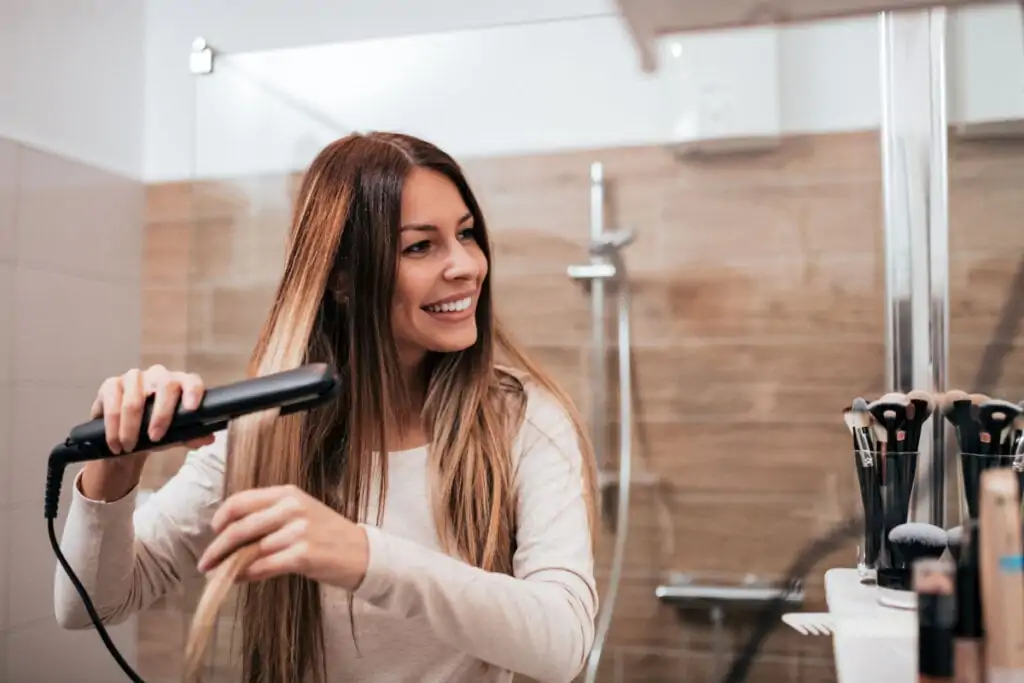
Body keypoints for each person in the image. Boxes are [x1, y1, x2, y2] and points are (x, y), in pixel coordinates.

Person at [53, 131, 600, 683]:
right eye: (420, 246)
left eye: (466, 234)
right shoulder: (265, 432)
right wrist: (116, 467)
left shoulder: (523, 418)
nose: (467, 265)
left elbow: (565, 644)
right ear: (341, 276)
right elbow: (88, 606)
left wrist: (366, 557)